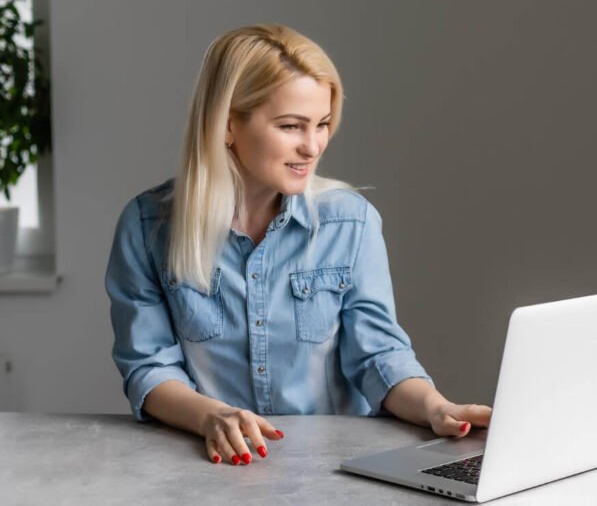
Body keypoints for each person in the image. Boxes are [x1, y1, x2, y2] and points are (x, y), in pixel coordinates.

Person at [106, 24, 491, 465]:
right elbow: (148, 368)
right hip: (212, 470)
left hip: (332, 471)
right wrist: (212, 417)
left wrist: (436, 408)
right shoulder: (146, 227)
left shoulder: (352, 223)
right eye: (291, 126)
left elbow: (379, 356)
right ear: (228, 124)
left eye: (323, 124)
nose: (313, 146)